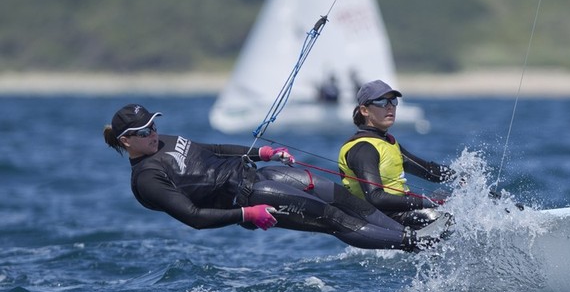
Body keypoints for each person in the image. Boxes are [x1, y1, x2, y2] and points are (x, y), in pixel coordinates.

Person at [103, 103, 437, 252]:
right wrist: (247, 215)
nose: (153, 132)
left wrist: (262, 153)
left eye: (153, 123)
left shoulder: (163, 140)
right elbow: (194, 219)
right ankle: (416, 243)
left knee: (339, 196)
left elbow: (215, 148)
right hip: (251, 200)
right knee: (333, 218)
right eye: (143, 131)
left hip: (259, 174)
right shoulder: (147, 178)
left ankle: (414, 231)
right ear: (125, 141)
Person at [338, 80, 456, 229]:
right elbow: (375, 197)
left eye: (393, 101)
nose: (389, 106)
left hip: (401, 212)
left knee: (460, 210)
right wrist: (427, 201)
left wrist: (461, 177)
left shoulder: (388, 143)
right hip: (382, 220)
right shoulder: (363, 148)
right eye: (381, 101)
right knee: (446, 218)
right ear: (364, 110)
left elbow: (428, 171)